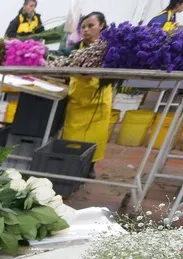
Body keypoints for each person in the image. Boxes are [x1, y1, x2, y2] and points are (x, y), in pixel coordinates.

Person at [62, 12, 113, 173]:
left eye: (91, 26)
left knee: (96, 135)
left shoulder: (109, 48)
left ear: (102, 26)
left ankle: (90, 165)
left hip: (99, 99)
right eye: (83, 27)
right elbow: (62, 57)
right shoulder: (76, 48)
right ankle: (70, 165)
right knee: (72, 134)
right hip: (78, 99)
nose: (85, 30)